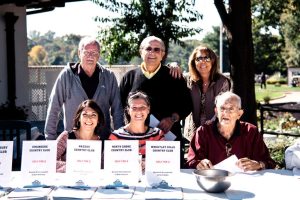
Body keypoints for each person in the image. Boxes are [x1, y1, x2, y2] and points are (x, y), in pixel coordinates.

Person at [119, 36, 192, 166]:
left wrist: (173, 119)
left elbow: (187, 104)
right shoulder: (129, 77)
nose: (152, 52)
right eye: (148, 48)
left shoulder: (174, 76)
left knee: (171, 179)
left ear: (163, 54)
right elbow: (121, 106)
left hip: (168, 139)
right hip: (136, 140)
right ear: (141, 51)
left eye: (157, 49)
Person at [44, 36, 123, 140]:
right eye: (86, 52)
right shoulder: (66, 76)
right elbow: (54, 107)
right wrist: (50, 140)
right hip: (73, 142)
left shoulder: (109, 76)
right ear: (79, 53)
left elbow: (117, 110)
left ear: (99, 55)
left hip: (102, 141)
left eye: (94, 53)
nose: (90, 56)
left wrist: (120, 140)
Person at [186, 91, 276, 171]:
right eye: (222, 108)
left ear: (239, 114)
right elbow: (191, 161)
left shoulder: (251, 131)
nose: (226, 113)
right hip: (213, 182)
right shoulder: (203, 132)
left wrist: (258, 164)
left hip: (245, 184)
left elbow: (269, 162)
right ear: (216, 112)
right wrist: (198, 164)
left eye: (231, 109)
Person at [181, 45, 231, 141]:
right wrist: (173, 65)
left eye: (206, 58)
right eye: (198, 58)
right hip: (193, 132)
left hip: (216, 131)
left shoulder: (222, 82)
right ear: (193, 62)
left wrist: (209, 125)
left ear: (213, 61)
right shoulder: (188, 80)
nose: (202, 61)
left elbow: (222, 107)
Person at [109, 91, 165, 156]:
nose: (138, 111)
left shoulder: (158, 135)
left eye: (142, 107)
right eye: (134, 108)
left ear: (148, 109)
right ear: (128, 110)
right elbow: (110, 164)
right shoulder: (116, 137)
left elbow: (162, 163)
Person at [56, 100, 105, 172]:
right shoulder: (66, 137)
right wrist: (74, 166)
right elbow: (49, 162)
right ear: (79, 118)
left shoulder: (102, 144)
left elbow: (106, 168)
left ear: (98, 120)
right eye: (85, 114)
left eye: (93, 115)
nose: (89, 118)